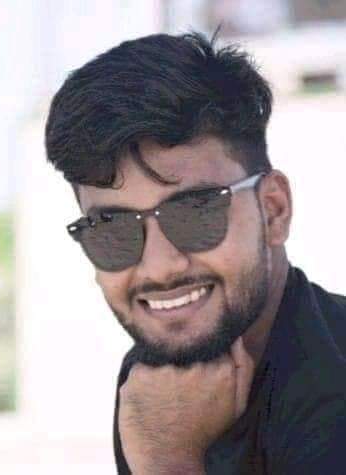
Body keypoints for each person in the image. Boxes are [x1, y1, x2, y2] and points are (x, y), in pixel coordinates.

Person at [44, 30, 346, 474]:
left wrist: (167, 461)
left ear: (273, 211)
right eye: (113, 230)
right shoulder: (160, 383)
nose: (159, 267)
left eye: (195, 212)